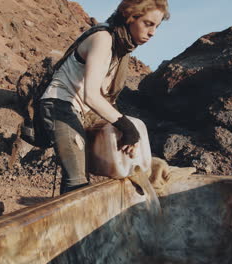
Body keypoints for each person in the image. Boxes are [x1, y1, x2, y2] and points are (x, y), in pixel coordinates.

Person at [39, 0, 170, 194]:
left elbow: (103, 97)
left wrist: (128, 133)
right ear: (130, 17)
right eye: (148, 24)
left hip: (83, 111)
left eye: (156, 26)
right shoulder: (103, 38)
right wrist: (125, 126)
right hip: (60, 105)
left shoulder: (121, 46)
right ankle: (73, 222)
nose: (153, 33)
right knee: (77, 183)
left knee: (128, 159)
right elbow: (91, 95)